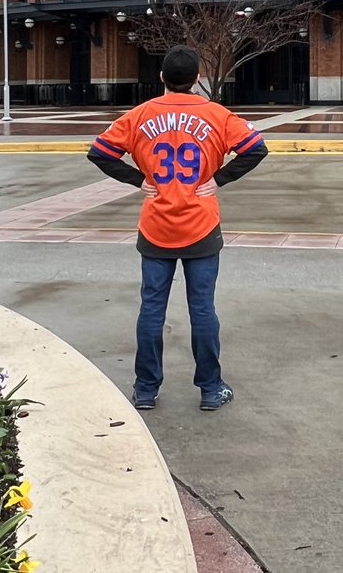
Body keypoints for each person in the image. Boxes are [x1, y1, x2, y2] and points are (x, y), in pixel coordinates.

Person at [87, 45, 268, 411]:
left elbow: (99, 152)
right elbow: (256, 149)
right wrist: (219, 178)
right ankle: (210, 389)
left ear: (162, 78)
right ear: (198, 78)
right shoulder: (217, 114)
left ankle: (145, 390)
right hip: (201, 224)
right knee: (202, 308)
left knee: (152, 308)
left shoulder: (139, 115)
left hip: (156, 226)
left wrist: (138, 180)